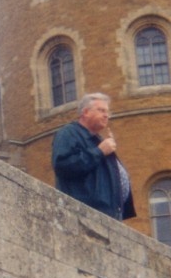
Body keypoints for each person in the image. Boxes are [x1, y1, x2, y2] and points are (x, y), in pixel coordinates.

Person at [51, 93, 136, 221]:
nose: (106, 115)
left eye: (108, 112)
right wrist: (99, 152)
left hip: (110, 215)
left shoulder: (97, 140)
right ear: (85, 112)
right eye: (101, 110)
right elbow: (63, 165)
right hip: (86, 213)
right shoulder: (68, 133)